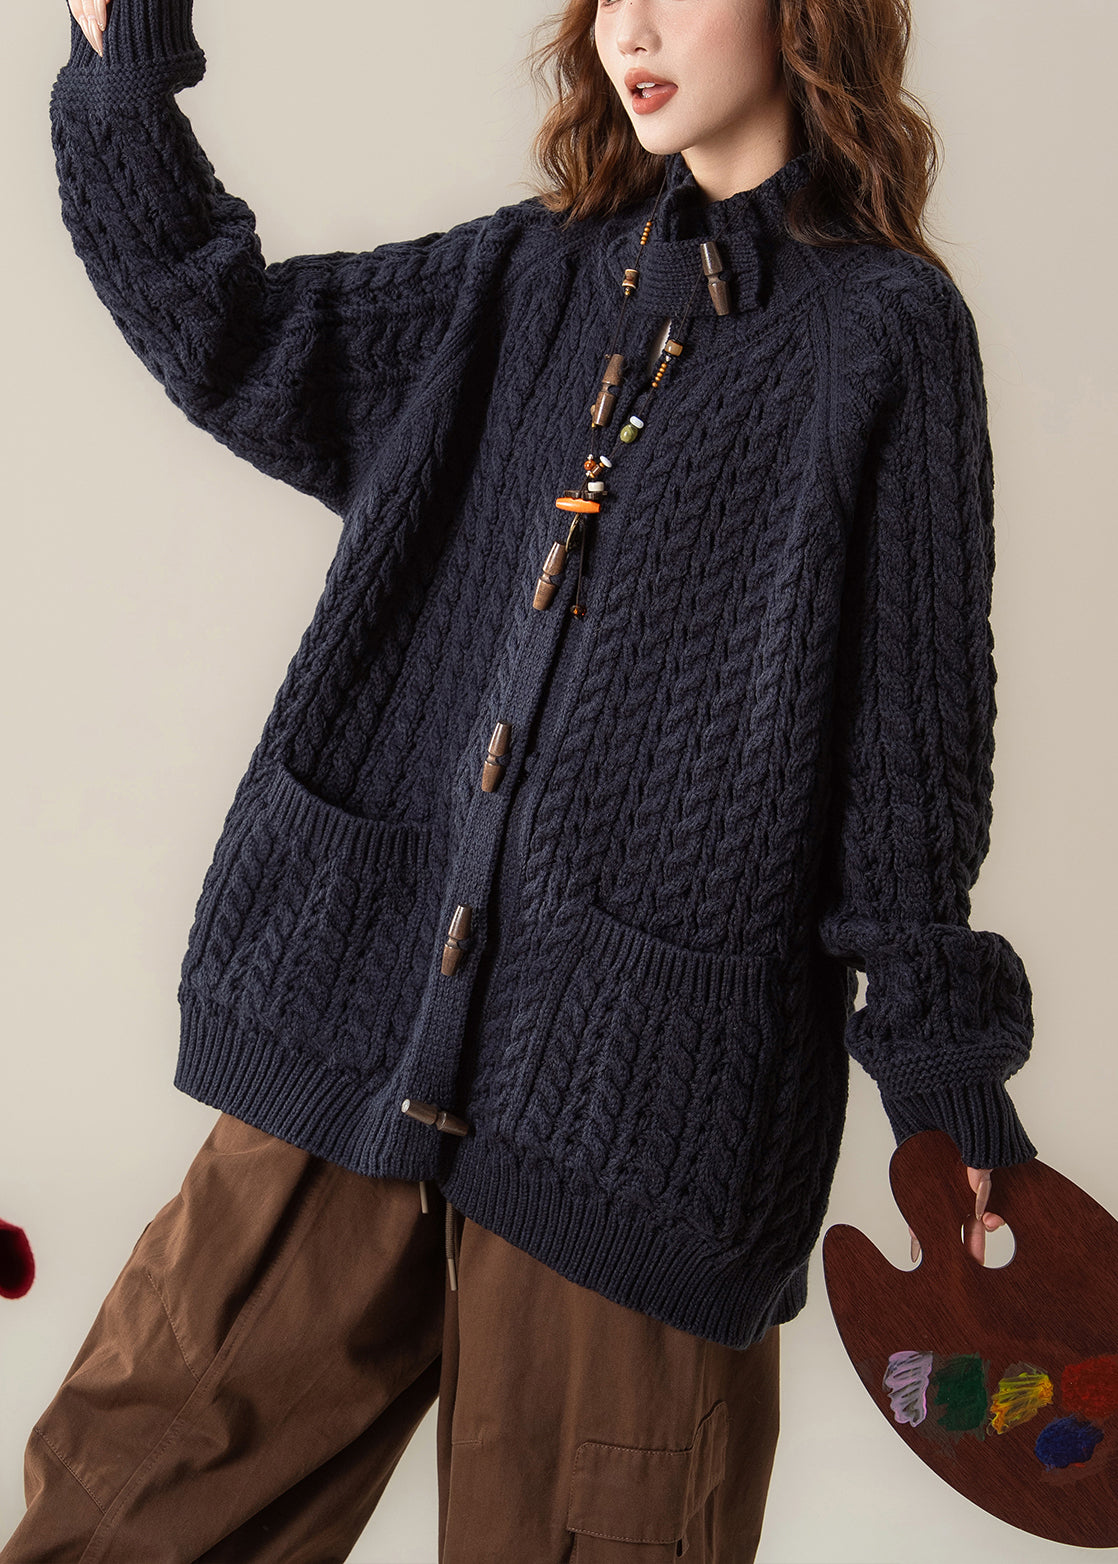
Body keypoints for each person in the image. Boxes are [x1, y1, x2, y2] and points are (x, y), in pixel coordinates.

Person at [3, 0, 1035, 1558]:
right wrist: (119, 56)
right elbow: (231, 330)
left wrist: (945, 1093)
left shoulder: (881, 335)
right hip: (351, 1038)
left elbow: (907, 756)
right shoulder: (522, 277)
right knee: (121, 1505)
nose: (633, 27)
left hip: (643, 1118)